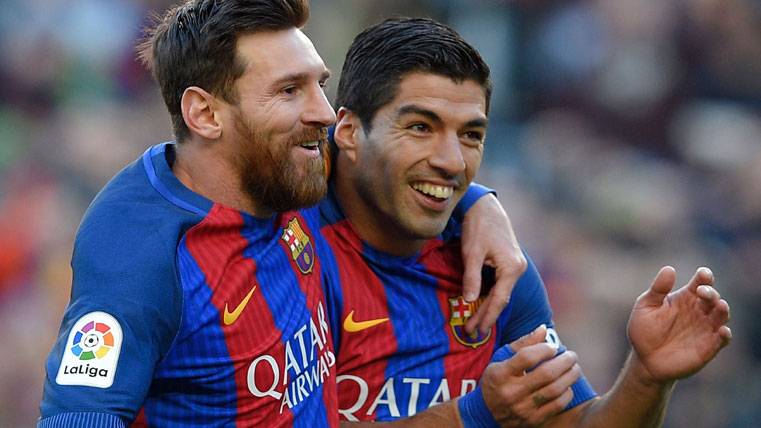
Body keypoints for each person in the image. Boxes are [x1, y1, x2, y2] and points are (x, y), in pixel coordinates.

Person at [37, 1, 526, 427]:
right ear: (205, 115)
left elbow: (396, 163)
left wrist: (480, 201)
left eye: (320, 85)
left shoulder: (287, 164)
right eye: (290, 91)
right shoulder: (142, 250)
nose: (325, 113)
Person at [322, 17, 733, 427]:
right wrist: (471, 417)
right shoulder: (286, 241)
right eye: (419, 127)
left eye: (470, 135)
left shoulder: (497, 269)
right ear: (349, 131)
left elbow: (572, 422)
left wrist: (646, 377)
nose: (452, 161)